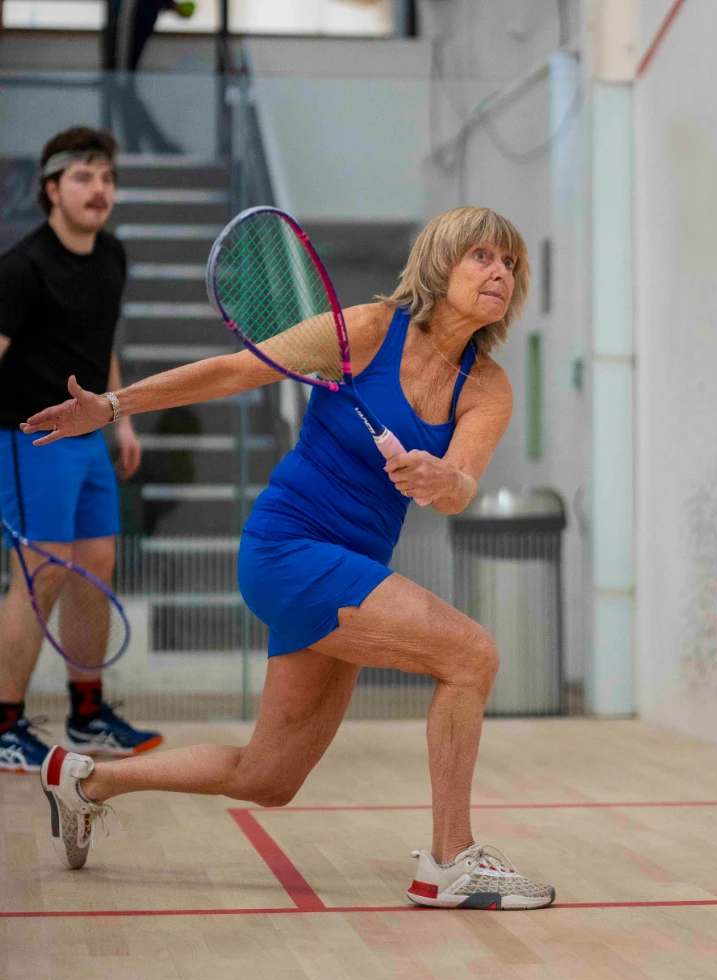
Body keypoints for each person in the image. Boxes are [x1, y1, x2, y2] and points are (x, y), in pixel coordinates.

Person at [26, 206, 556, 910]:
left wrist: (441, 480)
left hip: (350, 571)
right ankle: (451, 861)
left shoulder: (486, 386)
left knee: (267, 778)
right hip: (289, 548)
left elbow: (460, 484)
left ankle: (86, 780)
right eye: (482, 256)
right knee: (472, 656)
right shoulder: (366, 331)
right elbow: (232, 371)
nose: (500, 272)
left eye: (510, 264)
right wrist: (115, 405)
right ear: (440, 264)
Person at [0, 127, 163, 773]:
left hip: (91, 438)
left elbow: (100, 343)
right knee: (41, 578)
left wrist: (120, 416)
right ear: (50, 190)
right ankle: (5, 724)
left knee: (95, 568)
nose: (99, 190)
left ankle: (88, 713)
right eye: (83, 178)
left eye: (107, 178)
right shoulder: (20, 268)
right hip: (31, 438)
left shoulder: (112, 256)